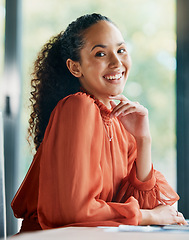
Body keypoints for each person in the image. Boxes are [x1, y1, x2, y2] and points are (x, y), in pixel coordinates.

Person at [11, 13, 187, 232]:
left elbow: (145, 205)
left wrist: (143, 139)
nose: (116, 62)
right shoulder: (78, 107)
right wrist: (149, 215)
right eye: (101, 53)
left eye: (121, 50)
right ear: (76, 68)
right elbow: (74, 211)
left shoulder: (119, 121)